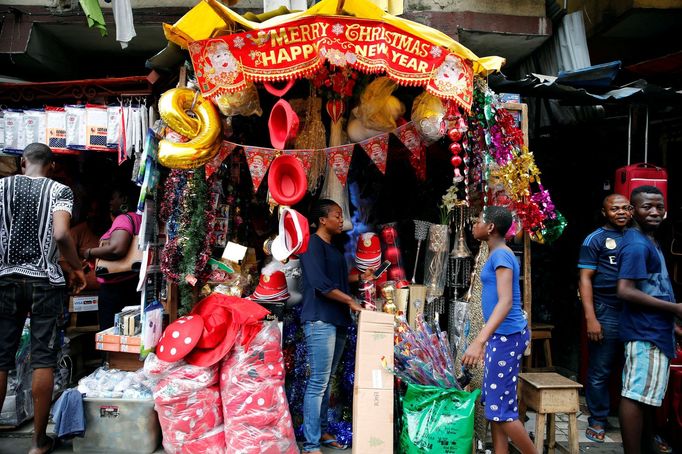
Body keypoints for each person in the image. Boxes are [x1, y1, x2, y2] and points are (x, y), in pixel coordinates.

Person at [0, 143, 86, 454]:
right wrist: (76, 269)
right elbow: (62, 234)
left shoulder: (1, 187)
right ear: (51, 166)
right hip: (44, 282)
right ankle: (38, 442)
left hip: (5, 279)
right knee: (43, 359)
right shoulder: (59, 191)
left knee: (1, 359)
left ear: (22, 162)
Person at [299, 199, 371, 454]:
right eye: (337, 215)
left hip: (337, 319)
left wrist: (362, 277)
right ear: (322, 220)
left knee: (327, 380)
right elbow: (320, 283)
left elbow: (338, 281)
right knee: (318, 382)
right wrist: (351, 301)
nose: (342, 220)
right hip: (320, 319)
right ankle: (310, 444)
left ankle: (321, 431)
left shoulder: (334, 249)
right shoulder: (312, 245)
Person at [462, 206, 535, 454]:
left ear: (491, 227)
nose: (474, 224)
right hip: (502, 335)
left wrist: (479, 341)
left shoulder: (501, 255)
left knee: (501, 411)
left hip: (508, 336)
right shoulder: (496, 253)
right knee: (497, 406)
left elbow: (505, 302)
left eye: (478, 221)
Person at [616, 186, 681, 454]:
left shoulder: (649, 241)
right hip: (645, 331)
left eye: (659, 207)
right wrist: (675, 307)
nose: (654, 212)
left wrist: (673, 323)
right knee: (636, 396)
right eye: (647, 207)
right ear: (633, 211)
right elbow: (625, 290)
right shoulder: (636, 244)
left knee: (646, 398)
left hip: (655, 329)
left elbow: (653, 287)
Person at [577, 193, 632, 442]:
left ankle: (633, 421)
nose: (621, 213)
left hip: (634, 313)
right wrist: (591, 317)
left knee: (631, 367)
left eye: (625, 208)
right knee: (601, 369)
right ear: (604, 212)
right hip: (606, 310)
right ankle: (598, 419)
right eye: (614, 209)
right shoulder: (595, 239)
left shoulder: (638, 236)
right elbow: (585, 278)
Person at [81, 185, 142, 329]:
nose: (110, 202)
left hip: (115, 290)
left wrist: (89, 252)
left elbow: (117, 249)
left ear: (124, 199)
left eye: (113, 198)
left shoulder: (123, 218)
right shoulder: (140, 218)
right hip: (133, 283)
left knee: (110, 334)